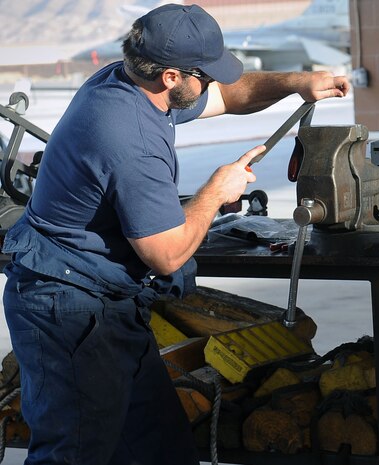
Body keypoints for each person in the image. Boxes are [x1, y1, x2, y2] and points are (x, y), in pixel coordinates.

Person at [1, 4, 350, 464]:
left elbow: (231, 96)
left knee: (159, 448)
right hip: (70, 308)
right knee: (74, 454)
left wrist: (296, 84)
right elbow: (165, 256)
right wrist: (211, 194)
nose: (211, 85)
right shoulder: (130, 139)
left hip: (107, 303)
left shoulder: (125, 82)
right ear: (170, 77)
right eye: (204, 76)